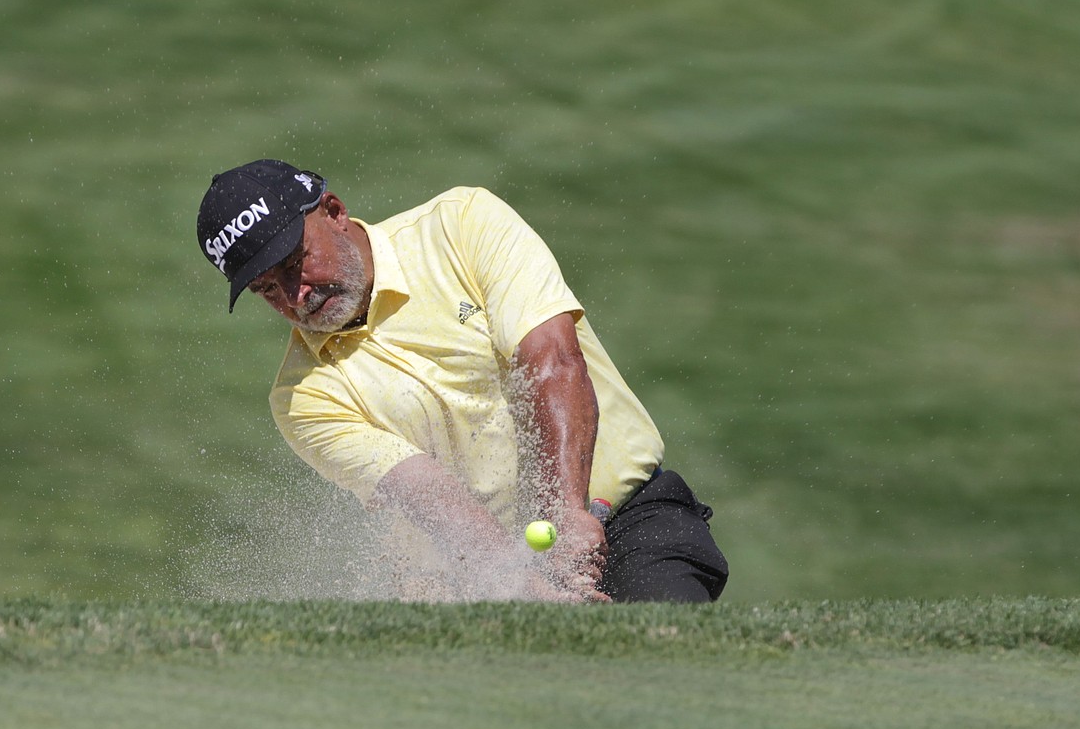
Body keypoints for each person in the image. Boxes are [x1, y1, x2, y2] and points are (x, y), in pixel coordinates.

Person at [196, 159, 728, 604]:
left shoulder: (462, 225)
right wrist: (521, 584)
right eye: (269, 289)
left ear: (334, 212)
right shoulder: (302, 397)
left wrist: (564, 514)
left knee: (665, 667)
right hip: (482, 580)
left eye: (296, 263)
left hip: (631, 523)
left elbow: (552, 363)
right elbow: (428, 496)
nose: (297, 297)